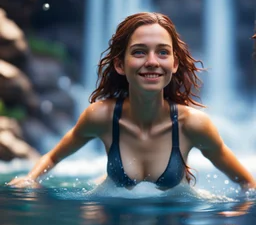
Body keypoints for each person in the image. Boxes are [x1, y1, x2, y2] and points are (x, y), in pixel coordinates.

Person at [8, 12, 256, 190]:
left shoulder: (193, 125)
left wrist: (229, 221)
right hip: (112, 222)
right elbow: (52, 158)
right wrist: (31, 179)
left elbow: (247, 183)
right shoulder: (101, 117)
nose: (152, 61)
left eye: (162, 52)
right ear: (119, 64)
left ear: (174, 63)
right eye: (139, 52)